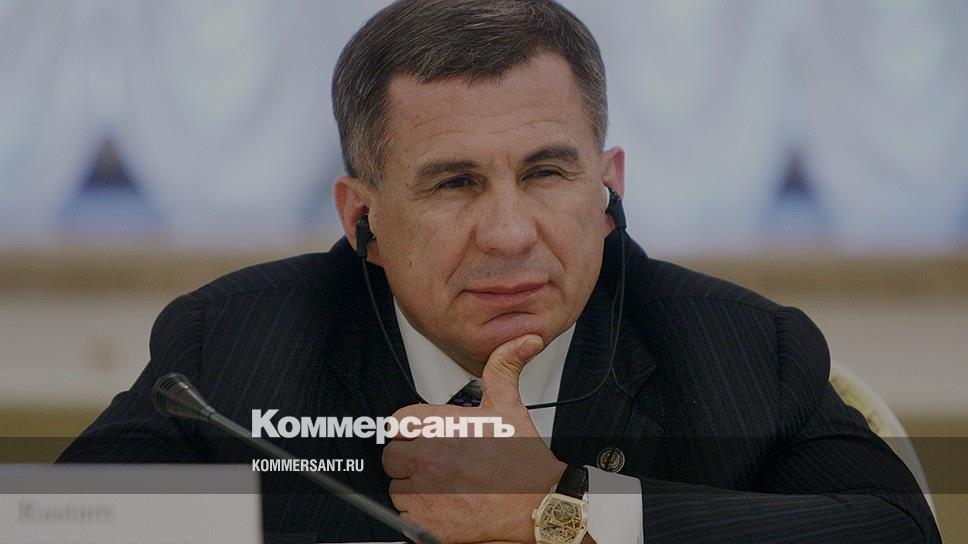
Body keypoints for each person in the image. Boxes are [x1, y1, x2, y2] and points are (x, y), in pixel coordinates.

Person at [60, 1, 940, 543]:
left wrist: (559, 507)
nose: (510, 232)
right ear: (361, 218)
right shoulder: (235, 344)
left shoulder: (736, 347)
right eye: (454, 184)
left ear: (608, 189)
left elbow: (899, 532)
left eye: (547, 173)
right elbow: (60, 523)